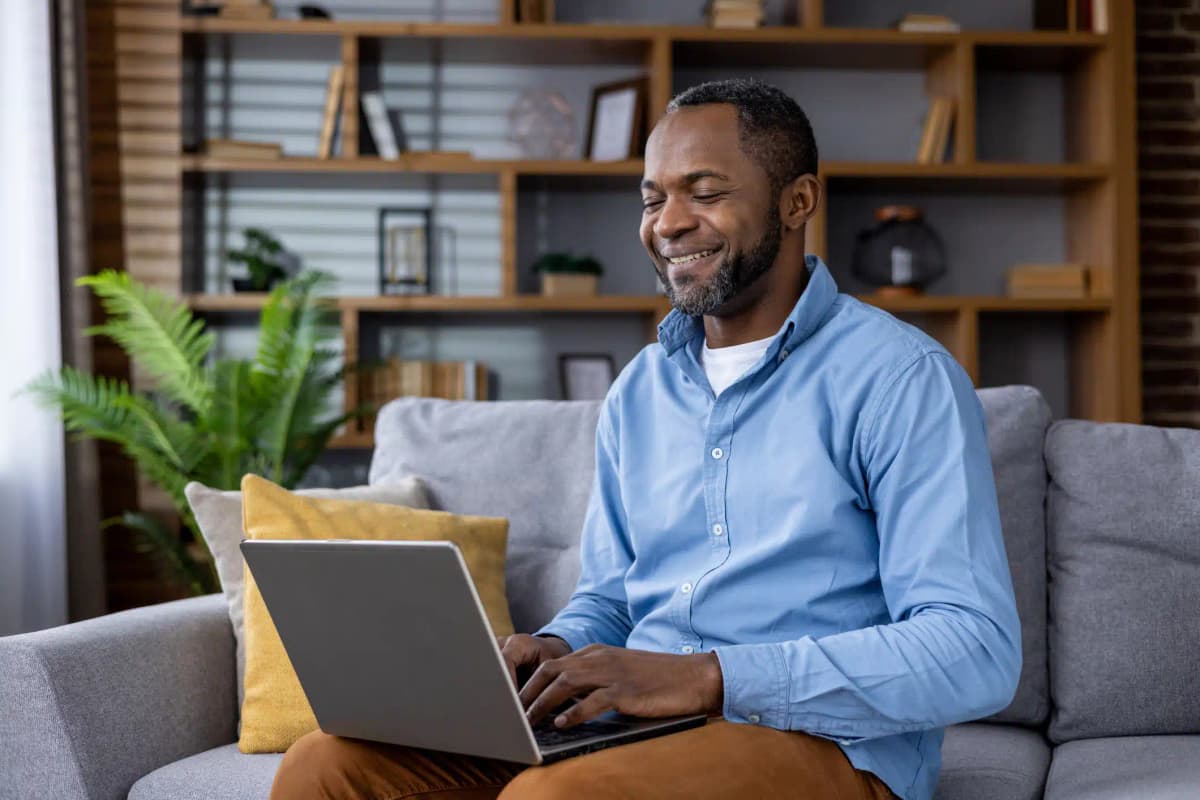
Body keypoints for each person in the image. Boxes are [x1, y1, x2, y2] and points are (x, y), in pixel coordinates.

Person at [270, 78, 1021, 800]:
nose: (668, 223)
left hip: (828, 751)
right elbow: (610, 594)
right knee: (325, 769)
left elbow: (975, 650)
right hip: (634, 730)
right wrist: (556, 650)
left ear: (798, 202)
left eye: (706, 191)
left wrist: (709, 677)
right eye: (653, 198)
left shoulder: (899, 378)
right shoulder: (641, 390)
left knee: (554, 796)